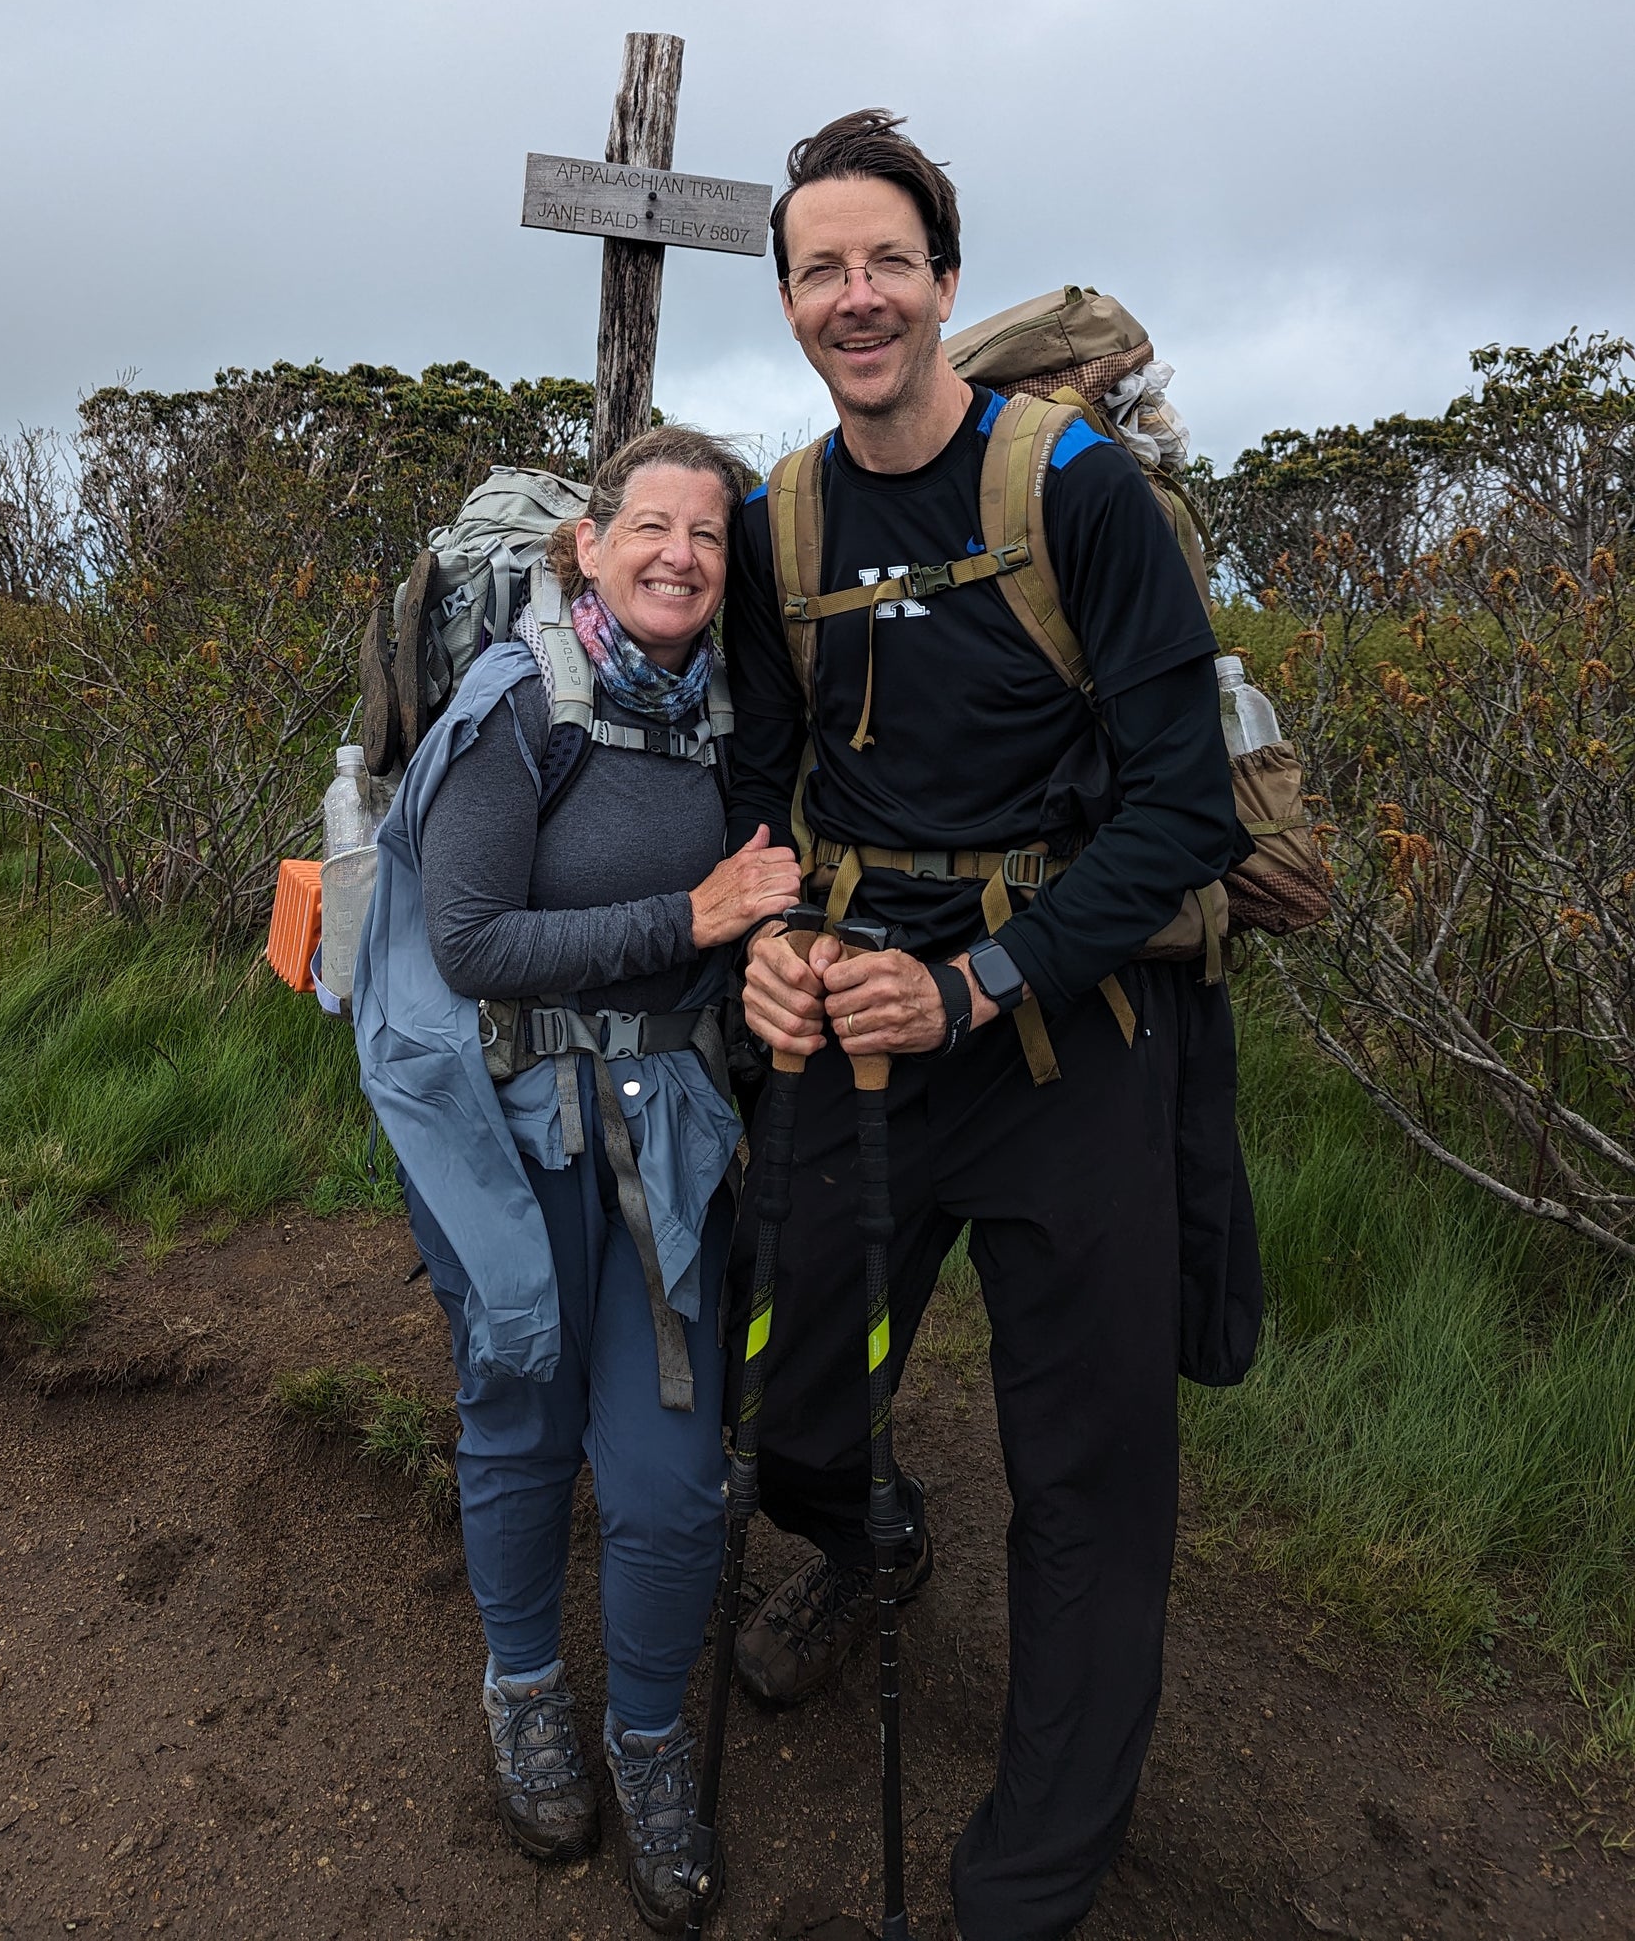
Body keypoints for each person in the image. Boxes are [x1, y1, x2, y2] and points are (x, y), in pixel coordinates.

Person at [722, 111, 1261, 1939]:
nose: (854, 296)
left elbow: (1186, 813)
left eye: (885, 260)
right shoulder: (773, 520)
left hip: (1068, 1046)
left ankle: (1021, 1890)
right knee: (779, 1394)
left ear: (944, 278)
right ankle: (865, 1534)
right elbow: (759, 780)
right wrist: (779, 936)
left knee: (1088, 1483)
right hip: (856, 1039)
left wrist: (970, 979)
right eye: (819, 268)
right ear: (787, 297)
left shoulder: (1081, 494)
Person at [353, 426, 799, 1935]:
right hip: (518, 1129)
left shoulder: (723, 710)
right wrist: (693, 911)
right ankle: (529, 1689)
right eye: (652, 526)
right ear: (589, 543)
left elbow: (746, 910)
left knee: (673, 1479)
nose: (680, 553)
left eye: (710, 536)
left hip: (667, 1135)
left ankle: (651, 1740)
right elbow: (472, 943)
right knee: (520, 1414)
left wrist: (767, 943)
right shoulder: (512, 699)